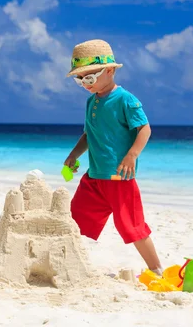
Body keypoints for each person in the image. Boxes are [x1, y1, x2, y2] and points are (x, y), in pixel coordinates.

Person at [63, 39, 163, 276]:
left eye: (89, 78)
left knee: (132, 227)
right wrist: (73, 154)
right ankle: (69, 263)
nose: (85, 84)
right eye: (80, 80)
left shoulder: (125, 99)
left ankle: (157, 269)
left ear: (109, 71)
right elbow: (89, 134)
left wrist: (132, 155)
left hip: (120, 178)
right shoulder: (91, 101)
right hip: (94, 177)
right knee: (73, 221)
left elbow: (144, 129)